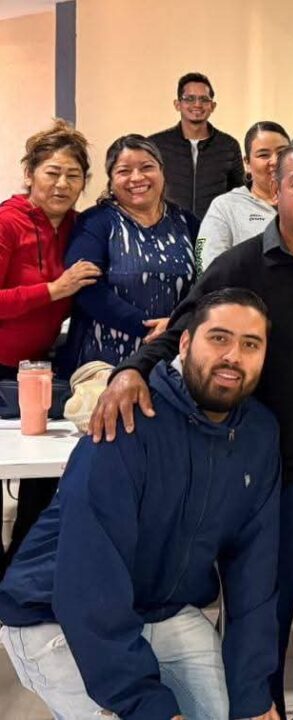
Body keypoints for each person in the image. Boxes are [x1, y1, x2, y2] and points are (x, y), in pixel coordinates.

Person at [87, 142, 293, 719]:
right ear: (275, 189)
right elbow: (182, 330)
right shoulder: (240, 266)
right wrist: (132, 371)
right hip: (263, 484)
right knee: (259, 624)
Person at [0, 287, 281, 720]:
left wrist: (253, 696)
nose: (232, 357)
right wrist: (146, 706)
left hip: (161, 610)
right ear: (184, 343)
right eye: (219, 338)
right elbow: (87, 582)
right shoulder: (128, 417)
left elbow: (254, 570)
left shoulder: (258, 435)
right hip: (53, 613)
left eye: (250, 345)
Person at [0, 120, 99, 577]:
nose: (62, 184)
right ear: (30, 173)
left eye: (73, 175)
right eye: (52, 172)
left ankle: (21, 569)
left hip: (36, 366)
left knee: (40, 476)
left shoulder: (78, 226)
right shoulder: (8, 222)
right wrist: (53, 289)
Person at [61, 135, 197, 373]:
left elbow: (209, 281)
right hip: (103, 365)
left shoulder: (189, 222)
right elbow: (86, 289)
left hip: (172, 359)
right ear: (111, 180)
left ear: (162, 171)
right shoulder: (94, 222)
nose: (137, 177)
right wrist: (150, 328)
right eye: (124, 171)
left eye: (147, 167)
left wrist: (178, 325)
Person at [197, 120, 290, 273]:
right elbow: (206, 267)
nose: (274, 161)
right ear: (247, 163)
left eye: (282, 153)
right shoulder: (225, 207)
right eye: (263, 155)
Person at [149, 72, 245, 220]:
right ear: (177, 104)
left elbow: (238, 195)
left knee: (204, 240)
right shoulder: (156, 145)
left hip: (213, 228)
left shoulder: (228, 145)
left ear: (212, 106)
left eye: (204, 99)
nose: (197, 105)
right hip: (168, 227)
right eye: (190, 99)